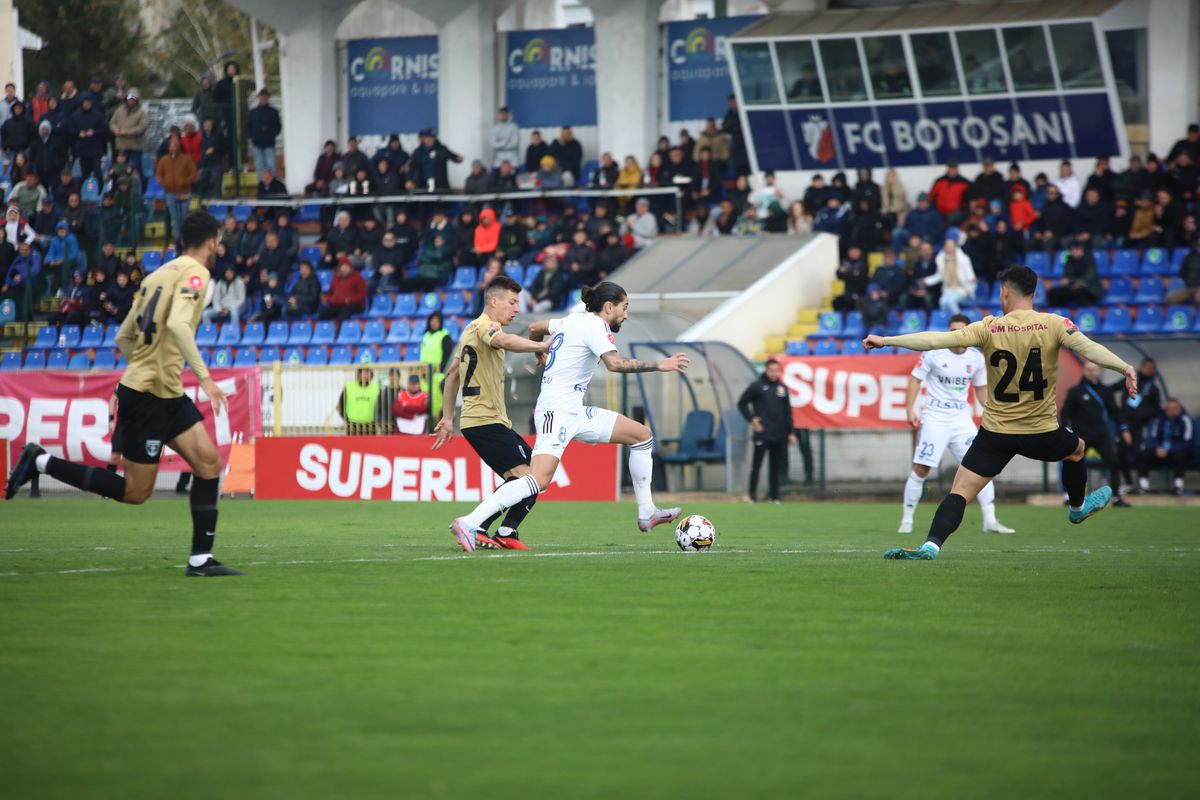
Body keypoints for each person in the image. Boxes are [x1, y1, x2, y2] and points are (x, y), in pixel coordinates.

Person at [5, 211, 242, 576]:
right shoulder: (197, 274)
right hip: (149, 396)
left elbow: (123, 336)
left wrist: (140, 370)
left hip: (164, 392)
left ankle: (200, 560)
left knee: (209, 465)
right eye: (219, 240)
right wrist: (205, 379)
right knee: (136, 492)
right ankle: (39, 462)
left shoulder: (156, 275)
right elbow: (179, 323)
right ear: (211, 241)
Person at [864, 265, 1137, 560]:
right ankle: (1076, 509)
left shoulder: (989, 327)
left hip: (996, 434)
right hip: (1041, 431)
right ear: (1034, 292)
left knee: (960, 492)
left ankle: (931, 545)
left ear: (1005, 292)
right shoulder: (1055, 324)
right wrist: (1124, 367)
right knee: (1077, 449)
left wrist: (887, 340)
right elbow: (1089, 348)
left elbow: (935, 340)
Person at [448, 281, 687, 552]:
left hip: (575, 409)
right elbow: (615, 364)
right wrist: (660, 364)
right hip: (557, 411)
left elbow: (535, 327)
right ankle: (470, 522)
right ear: (609, 306)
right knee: (537, 480)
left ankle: (647, 512)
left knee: (641, 436)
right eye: (625, 307)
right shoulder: (596, 325)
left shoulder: (571, 320)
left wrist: (540, 349)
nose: (626, 315)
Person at [433, 275, 552, 549]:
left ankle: (505, 531)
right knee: (532, 478)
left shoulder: (469, 331)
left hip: (485, 421)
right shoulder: (484, 327)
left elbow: (451, 377)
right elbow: (504, 341)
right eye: (512, 302)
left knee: (526, 477)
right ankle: (477, 526)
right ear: (494, 301)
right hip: (485, 420)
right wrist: (542, 345)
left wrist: (449, 417)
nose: (516, 309)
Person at [899, 313, 1016, 534]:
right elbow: (915, 379)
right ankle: (907, 520)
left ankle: (990, 520)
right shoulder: (934, 353)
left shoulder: (975, 358)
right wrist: (910, 408)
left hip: (961, 420)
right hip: (935, 418)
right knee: (922, 468)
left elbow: (981, 389)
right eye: (952, 330)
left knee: (981, 467)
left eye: (960, 330)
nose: (956, 335)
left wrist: (992, 412)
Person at [1062, 360, 1133, 507]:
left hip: (1101, 435)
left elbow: (1114, 411)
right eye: (1088, 370)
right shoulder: (1075, 391)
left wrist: (1124, 428)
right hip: (1082, 436)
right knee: (1073, 463)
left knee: (1113, 463)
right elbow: (1066, 414)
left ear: (1099, 371)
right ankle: (1069, 496)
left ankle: (1116, 497)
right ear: (1084, 371)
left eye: (1094, 370)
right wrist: (1065, 431)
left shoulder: (1105, 391)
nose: (1091, 372)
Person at [737, 359, 796, 505]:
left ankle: (774, 496)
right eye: (771, 370)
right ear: (766, 370)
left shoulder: (782, 388)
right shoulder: (756, 386)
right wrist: (752, 419)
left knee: (775, 467)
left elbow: (788, 412)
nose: (774, 373)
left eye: (776, 370)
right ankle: (752, 496)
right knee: (757, 465)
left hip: (779, 434)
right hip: (762, 433)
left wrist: (790, 432)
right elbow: (742, 403)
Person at [1137, 399, 1193, 495]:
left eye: (1174, 408)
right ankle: (1143, 486)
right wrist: (1157, 448)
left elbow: (1187, 441)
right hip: (1159, 451)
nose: (1171, 411)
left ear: (1179, 409)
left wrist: (1170, 449)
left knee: (1180, 455)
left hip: (1174, 452)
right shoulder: (1159, 419)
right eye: (1169, 408)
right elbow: (1152, 437)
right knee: (1143, 454)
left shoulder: (1185, 420)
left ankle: (1178, 486)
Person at [156, 136, 197, 248]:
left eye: (175, 145)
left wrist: (185, 182)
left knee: (184, 218)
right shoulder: (164, 160)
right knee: (175, 219)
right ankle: (179, 242)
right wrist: (165, 183)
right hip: (170, 194)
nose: (173, 148)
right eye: (171, 145)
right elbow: (159, 175)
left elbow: (193, 173)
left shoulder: (186, 159)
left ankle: (184, 240)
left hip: (184, 193)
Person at [109, 89, 149, 184]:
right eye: (129, 99)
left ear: (137, 100)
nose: (131, 101)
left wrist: (127, 132)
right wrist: (116, 130)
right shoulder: (119, 110)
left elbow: (142, 128)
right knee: (120, 171)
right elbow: (112, 123)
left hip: (135, 146)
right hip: (121, 147)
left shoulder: (142, 113)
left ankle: (141, 188)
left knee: (135, 169)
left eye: (133, 99)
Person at [929, 238, 977, 314]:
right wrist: (926, 281)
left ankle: (960, 320)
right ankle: (948, 323)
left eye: (951, 246)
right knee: (942, 302)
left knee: (951, 302)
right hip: (948, 289)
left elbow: (970, 275)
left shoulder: (963, 259)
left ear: (955, 247)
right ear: (944, 247)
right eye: (947, 246)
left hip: (962, 288)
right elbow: (939, 276)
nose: (949, 248)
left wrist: (972, 281)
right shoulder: (941, 259)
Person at [1048, 241, 1102, 306]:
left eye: (1078, 250)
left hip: (1089, 289)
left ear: (1082, 250)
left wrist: (1072, 281)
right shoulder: (1069, 261)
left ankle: (1084, 312)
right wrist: (1071, 283)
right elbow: (1065, 278)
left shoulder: (1089, 261)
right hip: (1071, 287)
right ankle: (1058, 313)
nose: (1075, 252)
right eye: (1073, 250)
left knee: (1080, 292)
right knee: (1053, 293)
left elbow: (1088, 279)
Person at [246, 89, 281, 173]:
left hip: (269, 144)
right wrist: (253, 136)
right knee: (259, 167)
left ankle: (272, 186)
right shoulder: (253, 112)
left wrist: (271, 135)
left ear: (268, 98)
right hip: (257, 145)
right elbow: (248, 127)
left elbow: (278, 127)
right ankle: (262, 186)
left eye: (265, 96)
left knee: (271, 166)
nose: (263, 98)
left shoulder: (273, 112)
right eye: (261, 96)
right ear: (258, 97)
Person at [338, 367, 379, 435]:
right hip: (352, 425)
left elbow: (381, 406)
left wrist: (378, 421)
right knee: (352, 445)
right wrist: (346, 420)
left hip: (371, 425)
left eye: (367, 372)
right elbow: (340, 405)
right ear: (358, 374)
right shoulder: (349, 387)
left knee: (370, 445)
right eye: (363, 372)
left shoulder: (376, 387)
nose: (365, 375)